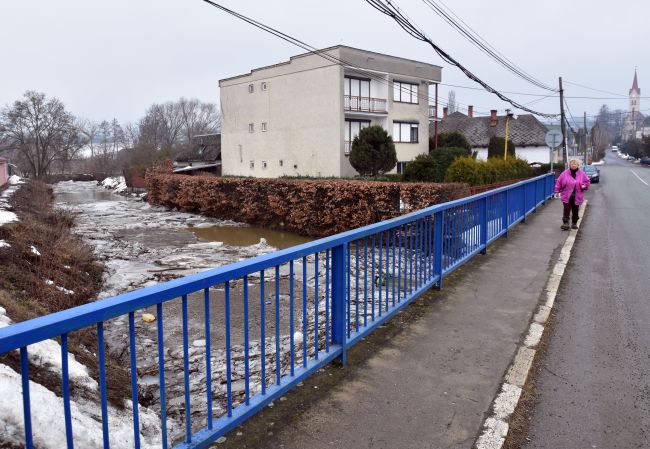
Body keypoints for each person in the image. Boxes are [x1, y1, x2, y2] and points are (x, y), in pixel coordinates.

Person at [554, 159, 590, 230]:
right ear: (569, 165)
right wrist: (557, 191)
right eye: (572, 164)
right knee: (566, 209)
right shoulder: (564, 173)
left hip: (577, 195)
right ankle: (566, 223)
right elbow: (559, 182)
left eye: (575, 164)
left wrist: (584, 186)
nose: (573, 165)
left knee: (575, 210)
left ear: (578, 165)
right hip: (566, 195)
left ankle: (574, 223)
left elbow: (587, 182)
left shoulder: (581, 173)